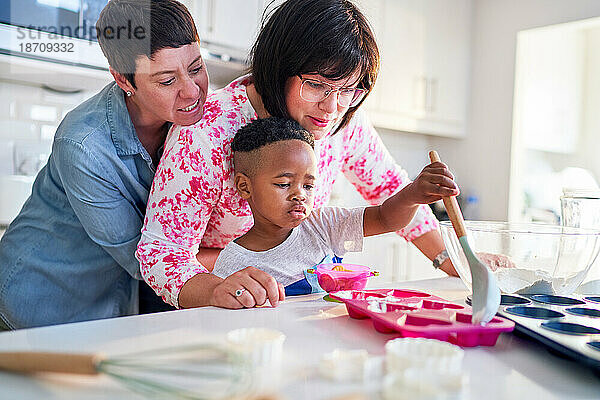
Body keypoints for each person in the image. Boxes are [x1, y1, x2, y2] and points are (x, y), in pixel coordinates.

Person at [136, 0, 458, 311]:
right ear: (279, 68)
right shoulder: (205, 132)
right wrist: (218, 286)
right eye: (317, 85)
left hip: (295, 306)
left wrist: (454, 260)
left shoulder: (342, 120)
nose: (331, 108)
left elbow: (390, 189)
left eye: (347, 89)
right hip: (215, 304)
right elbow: (162, 251)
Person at [0, 0, 209, 329]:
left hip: (110, 308)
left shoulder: (195, 125)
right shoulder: (84, 145)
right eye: (167, 81)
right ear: (124, 80)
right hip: (35, 303)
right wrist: (247, 253)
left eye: (196, 68)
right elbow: (148, 261)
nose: (191, 90)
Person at [203, 117, 459, 308]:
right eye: (283, 184)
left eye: (309, 185)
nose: (299, 194)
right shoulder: (233, 263)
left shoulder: (322, 225)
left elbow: (385, 218)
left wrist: (413, 194)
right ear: (245, 187)